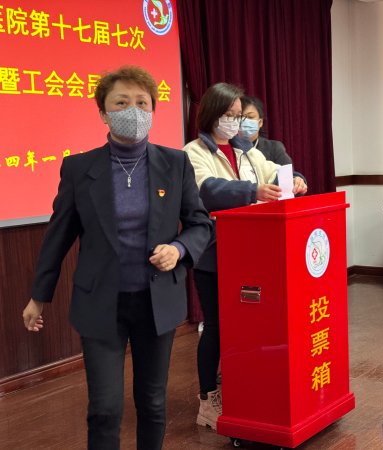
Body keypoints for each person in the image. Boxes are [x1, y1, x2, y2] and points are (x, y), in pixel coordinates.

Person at [22, 66, 213, 450]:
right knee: (105, 408)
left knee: (152, 402)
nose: (134, 111)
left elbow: (200, 225)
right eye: (122, 103)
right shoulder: (80, 168)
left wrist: (178, 249)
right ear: (104, 113)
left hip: (156, 302)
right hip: (100, 303)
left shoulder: (175, 163)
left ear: (153, 109)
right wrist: (38, 296)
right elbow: (58, 235)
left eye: (142, 103)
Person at [183, 82, 307, 430]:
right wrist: (253, 191)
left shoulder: (247, 151)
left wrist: (295, 179)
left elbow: (274, 171)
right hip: (214, 254)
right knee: (217, 327)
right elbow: (207, 189)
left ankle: (245, 387)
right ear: (211, 113)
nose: (235, 122)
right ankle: (207, 398)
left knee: (251, 326)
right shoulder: (193, 152)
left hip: (253, 253)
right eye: (229, 114)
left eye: (239, 116)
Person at [239, 95, 293, 166]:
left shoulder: (274, 148)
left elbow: (287, 172)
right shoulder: (229, 147)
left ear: (260, 122)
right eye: (240, 117)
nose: (244, 121)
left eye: (250, 117)